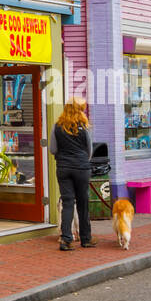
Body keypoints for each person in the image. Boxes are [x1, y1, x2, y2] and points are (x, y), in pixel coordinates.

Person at [50, 97, 96, 251]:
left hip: (63, 168)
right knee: (83, 203)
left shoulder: (57, 126)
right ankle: (86, 239)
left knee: (67, 203)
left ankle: (66, 239)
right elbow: (89, 151)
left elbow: (53, 150)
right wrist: (82, 160)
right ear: (79, 110)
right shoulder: (84, 127)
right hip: (82, 168)